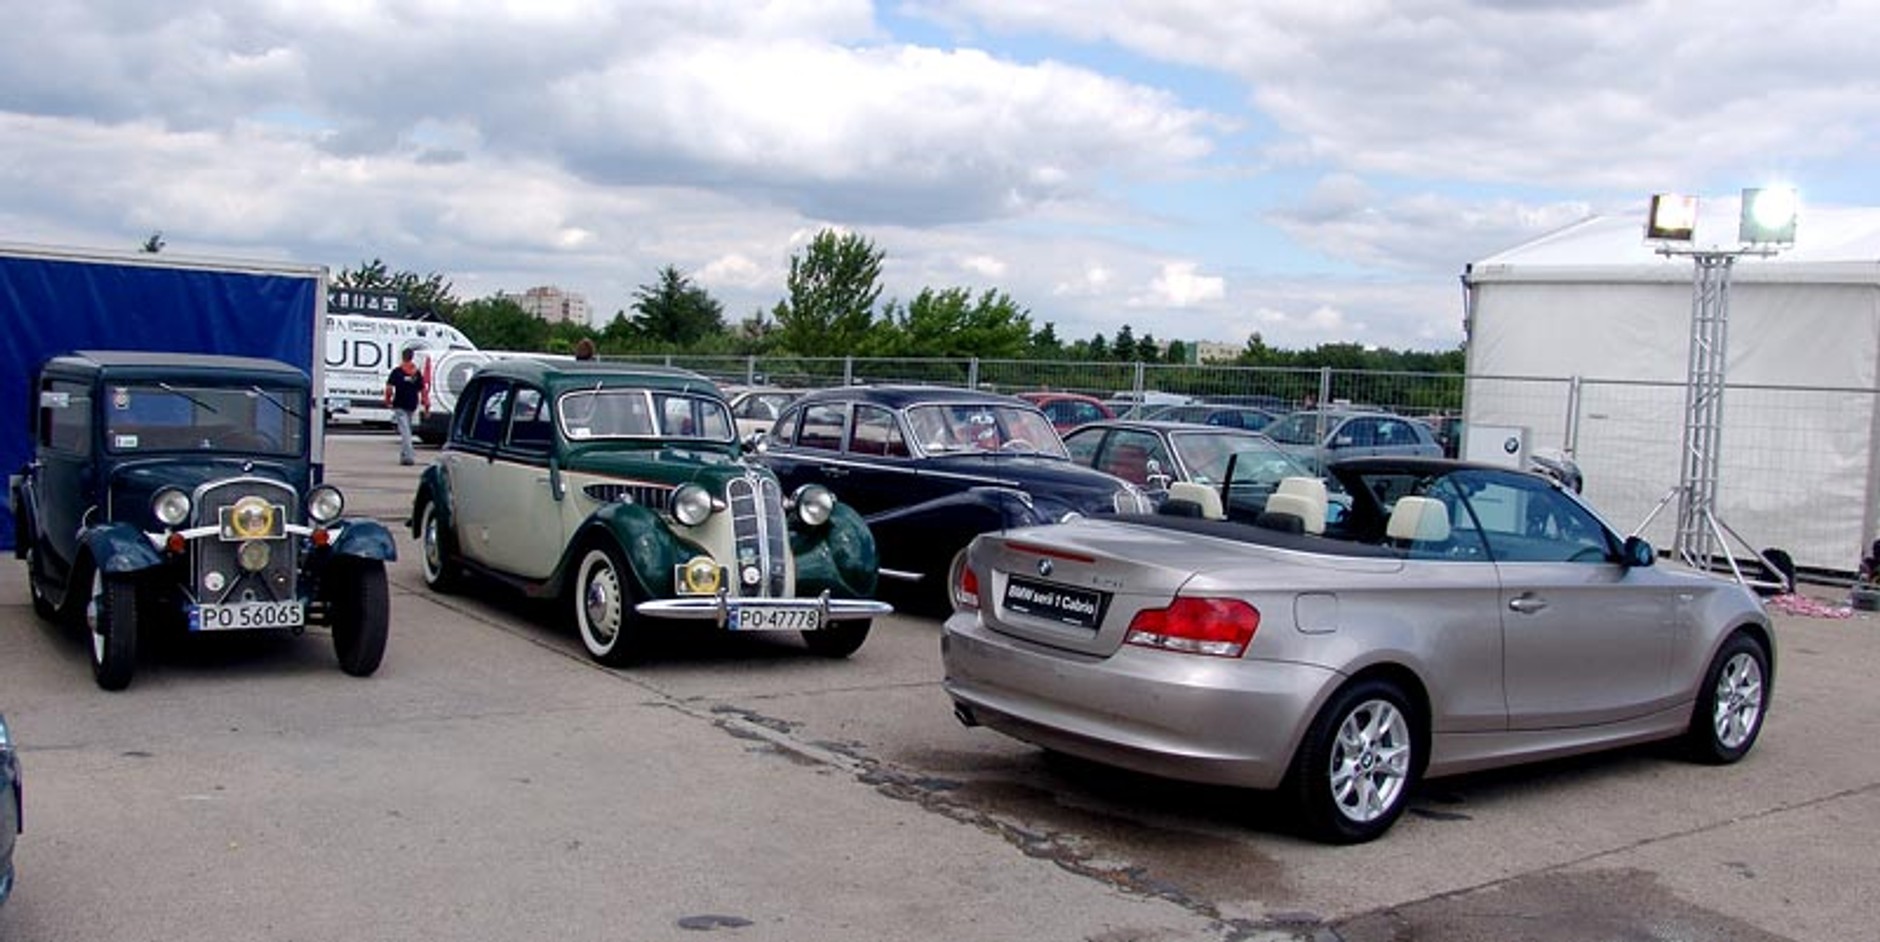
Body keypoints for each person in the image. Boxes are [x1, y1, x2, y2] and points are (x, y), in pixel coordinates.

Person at [383, 347, 429, 465]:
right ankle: (404, 456)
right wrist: (426, 406)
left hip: (399, 404)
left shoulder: (397, 372)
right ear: (412, 357)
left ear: (403, 357)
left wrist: (387, 400)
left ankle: (409, 457)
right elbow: (423, 390)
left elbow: (389, 388)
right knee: (407, 429)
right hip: (412, 404)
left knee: (405, 432)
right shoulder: (416, 374)